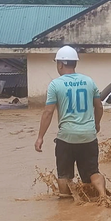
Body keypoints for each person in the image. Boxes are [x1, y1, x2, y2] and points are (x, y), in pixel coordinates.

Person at [34, 45, 106, 199]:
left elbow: (48, 112)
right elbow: (99, 106)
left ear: (60, 64)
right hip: (88, 135)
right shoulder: (89, 81)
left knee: (64, 175)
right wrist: (97, 124)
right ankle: (103, 195)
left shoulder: (55, 84)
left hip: (66, 137)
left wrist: (40, 137)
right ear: (75, 63)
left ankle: (66, 205)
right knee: (93, 172)